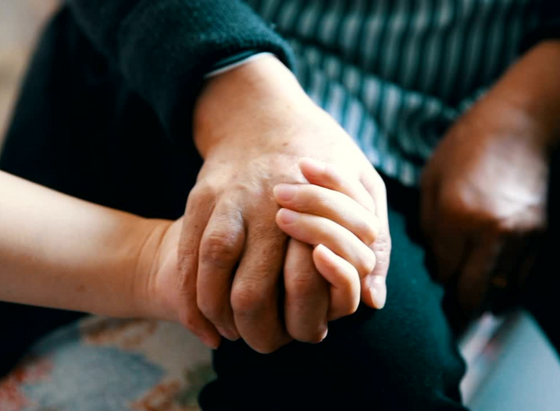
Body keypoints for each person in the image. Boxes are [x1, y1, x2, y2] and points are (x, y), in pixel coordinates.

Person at [1, 0, 559, 409]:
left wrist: (527, 112)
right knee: (360, 362)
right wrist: (246, 104)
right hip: (185, 52)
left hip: (486, 86)